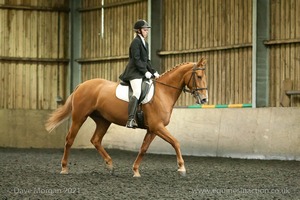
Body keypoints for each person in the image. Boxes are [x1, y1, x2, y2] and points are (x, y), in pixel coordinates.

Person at [119, 19, 159, 128]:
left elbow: (146, 61)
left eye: (147, 30)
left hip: (141, 72)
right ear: (139, 31)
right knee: (137, 91)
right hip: (134, 73)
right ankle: (130, 119)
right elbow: (136, 60)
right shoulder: (135, 42)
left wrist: (153, 71)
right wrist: (145, 72)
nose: (147, 31)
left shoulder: (145, 43)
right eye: (145, 30)